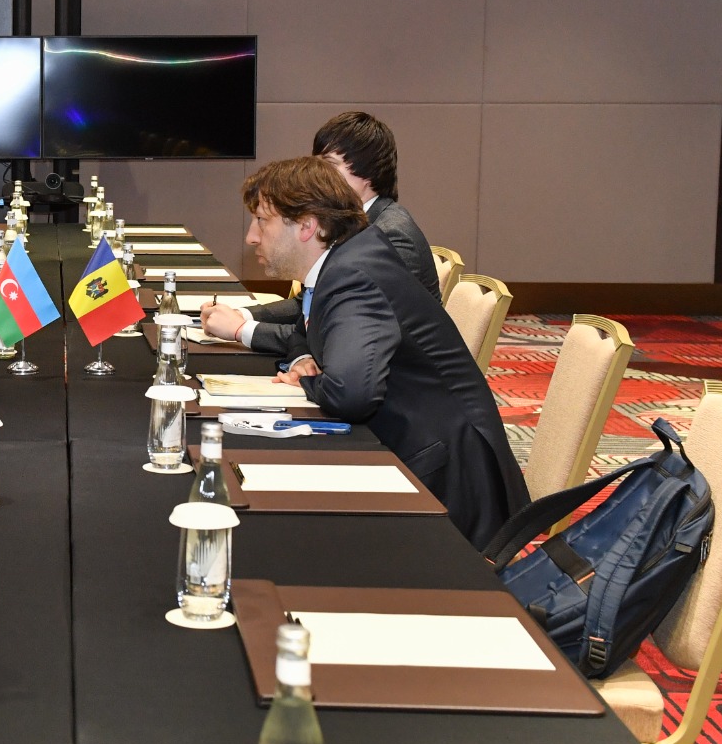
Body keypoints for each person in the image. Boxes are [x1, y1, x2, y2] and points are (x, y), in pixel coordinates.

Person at [200, 157, 527, 548]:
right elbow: (308, 329)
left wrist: (310, 382)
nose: (252, 237)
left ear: (306, 226)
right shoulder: (343, 260)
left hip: (446, 481)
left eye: (261, 221)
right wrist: (306, 360)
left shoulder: (352, 276)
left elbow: (351, 394)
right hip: (418, 449)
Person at [208, 112, 439, 356]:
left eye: (328, 165)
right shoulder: (348, 223)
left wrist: (242, 330)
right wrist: (242, 315)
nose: (317, 176)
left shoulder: (391, 236)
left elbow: (352, 337)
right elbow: (311, 305)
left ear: (368, 172)